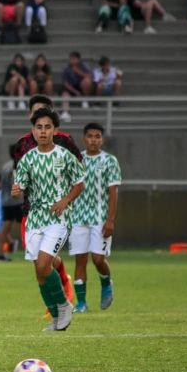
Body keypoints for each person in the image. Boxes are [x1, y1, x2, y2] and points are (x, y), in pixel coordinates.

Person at [12, 107, 84, 332]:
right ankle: (55, 317)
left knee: (44, 264)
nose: (43, 131)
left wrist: (65, 201)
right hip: (35, 219)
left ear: (55, 130)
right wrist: (17, 188)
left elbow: (79, 183)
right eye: (39, 127)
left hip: (58, 218)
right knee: (39, 271)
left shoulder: (64, 156)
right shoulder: (27, 159)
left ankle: (64, 305)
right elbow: (21, 184)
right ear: (33, 131)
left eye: (47, 127)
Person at [69, 122, 120, 313]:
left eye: (97, 136)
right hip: (78, 217)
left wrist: (110, 220)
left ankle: (106, 283)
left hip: (99, 217)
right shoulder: (77, 160)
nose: (93, 140)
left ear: (102, 139)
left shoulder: (110, 161)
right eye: (90, 136)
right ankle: (81, 303)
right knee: (80, 260)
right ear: (84, 138)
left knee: (98, 259)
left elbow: (113, 192)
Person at [0, 144, 22, 261]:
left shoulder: (5, 166)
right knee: (28, 226)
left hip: (5, 201)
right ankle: (32, 252)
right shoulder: (16, 166)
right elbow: (15, 185)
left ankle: (0, 254)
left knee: (5, 229)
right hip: (17, 202)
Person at [60, 51, 93, 119]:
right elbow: (65, 83)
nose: (72, 61)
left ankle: (85, 100)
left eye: (74, 59)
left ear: (78, 59)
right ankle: (65, 112)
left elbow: (89, 77)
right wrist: (75, 91)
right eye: (71, 59)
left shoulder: (84, 66)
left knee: (86, 81)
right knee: (65, 94)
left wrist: (78, 72)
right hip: (71, 88)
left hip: (81, 87)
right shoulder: (67, 69)